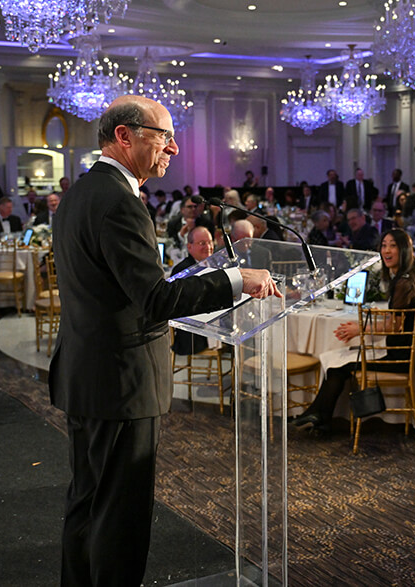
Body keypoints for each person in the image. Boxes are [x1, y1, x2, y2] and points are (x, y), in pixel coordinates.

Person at [49, 95, 279, 586]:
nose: (173, 148)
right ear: (124, 135)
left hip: (89, 374)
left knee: (88, 504)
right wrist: (238, 279)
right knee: (120, 518)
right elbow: (154, 300)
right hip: (121, 381)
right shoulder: (118, 201)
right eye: (163, 135)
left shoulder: (79, 193)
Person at [290, 229, 415, 434]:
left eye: (393, 246)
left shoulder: (404, 283)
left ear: (405, 250)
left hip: (399, 358)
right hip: (404, 353)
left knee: (339, 366)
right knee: (339, 362)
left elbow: (395, 326)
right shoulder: (411, 277)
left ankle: (318, 414)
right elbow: (397, 320)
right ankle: (320, 417)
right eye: (384, 245)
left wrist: (359, 328)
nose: (387, 250)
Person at [170, 226, 215, 357]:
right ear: (189, 247)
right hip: (191, 333)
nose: (208, 247)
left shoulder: (214, 265)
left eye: (210, 242)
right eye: (202, 243)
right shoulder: (182, 271)